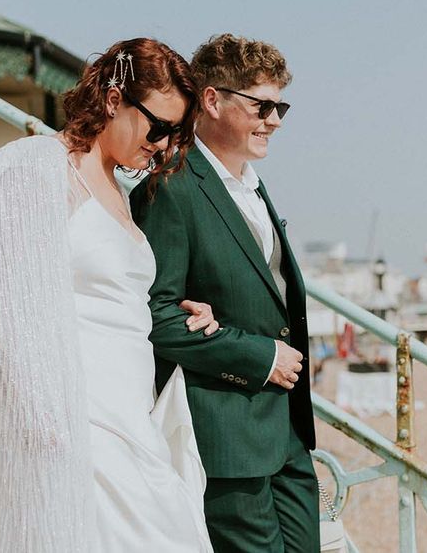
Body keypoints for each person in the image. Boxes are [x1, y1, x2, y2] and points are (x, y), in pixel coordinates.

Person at [0, 38, 215, 552]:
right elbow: (1, 312)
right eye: (159, 126)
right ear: (111, 98)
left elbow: (114, 299)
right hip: (78, 422)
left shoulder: (123, 192)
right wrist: (46, 430)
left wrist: (184, 311)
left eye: (177, 133)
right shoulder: (32, 167)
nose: (165, 145)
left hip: (134, 417)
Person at [131, 33, 319, 552]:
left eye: (280, 105)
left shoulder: (253, 184)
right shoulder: (170, 187)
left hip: (287, 433)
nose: (274, 119)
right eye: (262, 105)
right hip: (226, 437)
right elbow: (154, 315)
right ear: (212, 100)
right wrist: (259, 356)